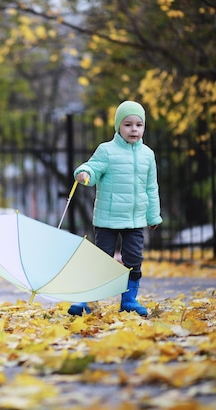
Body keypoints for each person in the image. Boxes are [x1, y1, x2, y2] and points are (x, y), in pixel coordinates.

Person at [68, 100, 162, 317]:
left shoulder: (148, 155)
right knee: (101, 261)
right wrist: (84, 174)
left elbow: (151, 187)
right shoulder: (107, 151)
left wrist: (153, 215)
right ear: (118, 126)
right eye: (128, 124)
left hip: (135, 220)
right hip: (107, 220)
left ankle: (129, 300)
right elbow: (92, 168)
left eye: (139, 125)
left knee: (133, 261)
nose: (134, 129)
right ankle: (87, 300)